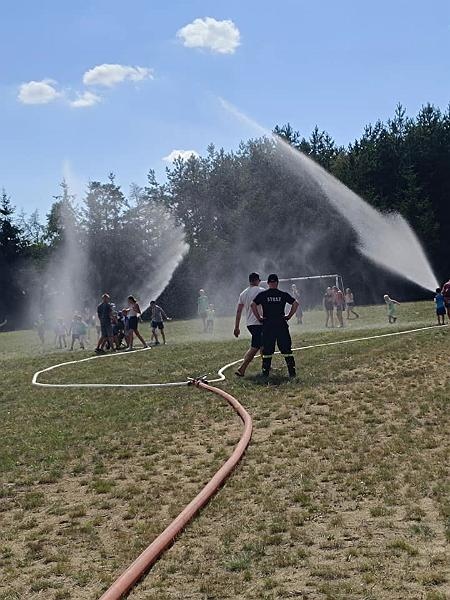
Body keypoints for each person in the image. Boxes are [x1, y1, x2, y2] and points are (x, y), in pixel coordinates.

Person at [251, 273, 298, 378]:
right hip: (281, 324)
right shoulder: (283, 294)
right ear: (277, 283)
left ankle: (265, 373)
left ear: (268, 283)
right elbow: (295, 303)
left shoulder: (263, 295)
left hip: (268, 325)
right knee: (286, 349)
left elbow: (253, 304)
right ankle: (292, 373)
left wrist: (259, 318)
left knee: (267, 350)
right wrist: (289, 316)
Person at [233, 272, 265, 377]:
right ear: (256, 280)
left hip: (250, 324)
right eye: (259, 280)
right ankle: (242, 368)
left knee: (262, 345)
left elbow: (238, 311)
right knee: (255, 347)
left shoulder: (243, 293)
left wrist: (237, 327)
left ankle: (266, 365)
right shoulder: (261, 291)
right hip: (258, 322)